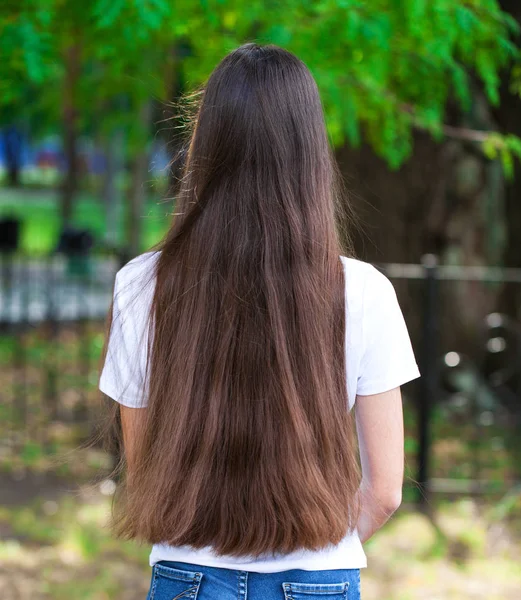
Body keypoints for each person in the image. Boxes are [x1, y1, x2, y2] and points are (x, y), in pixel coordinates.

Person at [99, 43, 420, 600]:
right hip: (321, 577)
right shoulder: (365, 291)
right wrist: (322, 544)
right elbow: (386, 492)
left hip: (187, 576)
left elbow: (145, 462)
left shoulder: (141, 284)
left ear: (205, 142)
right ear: (309, 151)